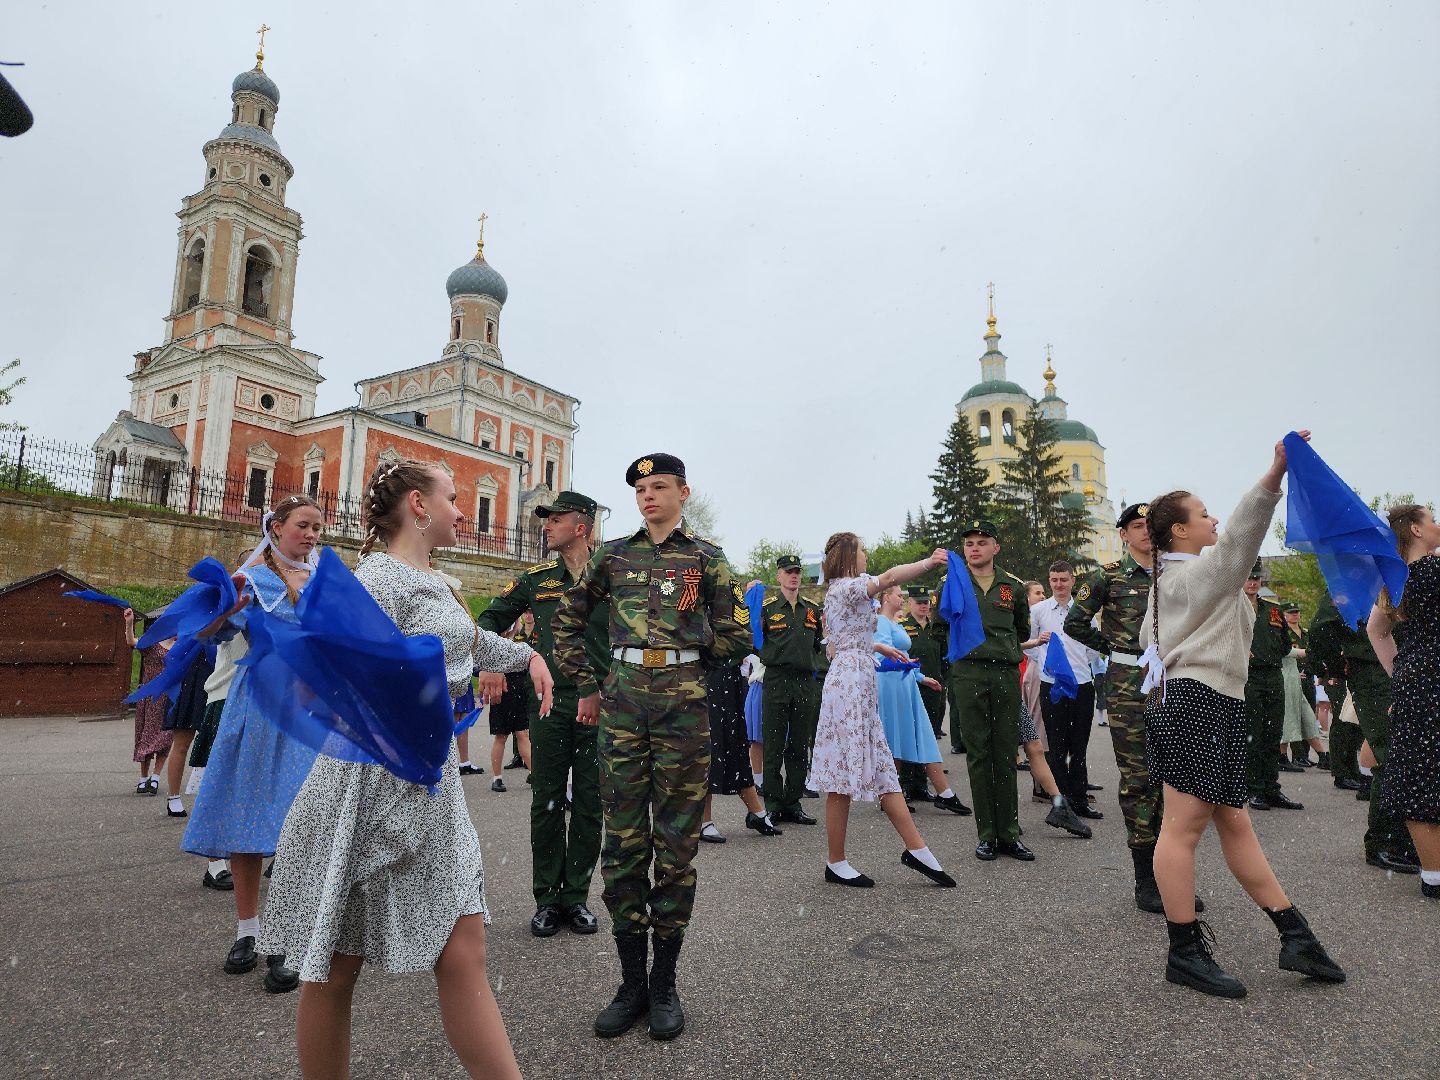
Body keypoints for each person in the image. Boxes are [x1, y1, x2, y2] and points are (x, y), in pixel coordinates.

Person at [259, 460, 552, 1080]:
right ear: (419, 504)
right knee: (337, 963)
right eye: (452, 497)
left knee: (464, 947)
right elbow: (327, 680)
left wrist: (528, 656)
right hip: (371, 787)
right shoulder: (376, 581)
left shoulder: (435, 581)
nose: (460, 508)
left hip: (432, 780)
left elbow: (471, 644)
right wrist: (398, 701)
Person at [552, 453, 751, 1042]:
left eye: (659, 486)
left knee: (676, 844)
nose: (648, 496)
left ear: (683, 492)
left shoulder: (707, 559)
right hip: (622, 702)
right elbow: (568, 620)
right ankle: (630, 983)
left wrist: (691, 656)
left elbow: (737, 631)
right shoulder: (614, 556)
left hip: (683, 707)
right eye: (640, 488)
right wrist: (588, 683)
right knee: (623, 843)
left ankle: (664, 983)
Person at [1139, 433, 1344, 999]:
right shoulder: (1187, 576)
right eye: (1203, 514)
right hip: (1198, 703)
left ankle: (1292, 933)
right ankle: (1183, 951)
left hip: (1210, 703)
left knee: (1234, 821)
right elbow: (1237, 546)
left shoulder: (1176, 584)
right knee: (1183, 828)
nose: (1212, 520)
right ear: (1178, 530)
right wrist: (1275, 473)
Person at [181, 496, 324, 992]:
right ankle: (248, 931)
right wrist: (228, 611)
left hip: (309, 711)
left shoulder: (327, 583)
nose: (310, 535)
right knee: (248, 818)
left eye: (317, 528)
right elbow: (201, 636)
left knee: (297, 826)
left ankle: (286, 938)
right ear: (276, 527)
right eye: (302, 526)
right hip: (258, 706)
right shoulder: (254, 580)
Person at [477, 489, 610, 937]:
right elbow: (488, 623)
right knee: (548, 801)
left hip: (602, 703)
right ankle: (547, 899)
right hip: (550, 702)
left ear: (581, 526)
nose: (546, 526)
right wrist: (494, 660)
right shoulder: (536, 580)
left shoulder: (613, 575)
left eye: (556, 519)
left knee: (591, 803)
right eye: (545, 519)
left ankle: (577, 897)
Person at [1067, 502, 1202, 912]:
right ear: (1123, 534)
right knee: (1139, 778)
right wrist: (1114, 650)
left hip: (1175, 681)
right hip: (1128, 685)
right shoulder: (1106, 577)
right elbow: (1075, 622)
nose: (1145, 532)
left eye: (1150, 525)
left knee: (1176, 778)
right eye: (1137, 526)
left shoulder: (1177, 573)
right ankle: (1147, 880)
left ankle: (1171, 875)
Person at [806, 534, 957, 889]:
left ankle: (914, 850)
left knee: (879, 767)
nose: (866, 555)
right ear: (848, 557)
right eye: (861, 550)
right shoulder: (849, 586)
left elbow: (838, 642)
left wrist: (875, 647)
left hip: (855, 677)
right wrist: (929, 563)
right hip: (851, 684)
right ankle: (840, 861)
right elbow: (889, 578)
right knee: (843, 774)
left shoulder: (840, 591)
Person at [929, 519, 1033, 862]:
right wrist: (964, 657)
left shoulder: (1013, 587)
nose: (975, 548)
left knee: (1005, 753)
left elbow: (1021, 628)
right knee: (978, 754)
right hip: (969, 674)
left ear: (995, 547)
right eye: (969, 542)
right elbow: (938, 626)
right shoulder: (951, 583)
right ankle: (987, 834)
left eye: (982, 542)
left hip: (1004, 674)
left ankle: (1010, 834)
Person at [1367, 503, 1440, 901]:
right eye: (1431, 519)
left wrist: (1403, 677)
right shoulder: (1433, 572)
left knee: (1421, 775)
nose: (1437, 524)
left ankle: (1433, 874)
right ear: (1415, 528)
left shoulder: (1396, 577)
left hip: (1416, 680)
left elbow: (1375, 630)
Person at [873, 583, 970, 815]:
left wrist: (921, 676)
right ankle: (890, 795)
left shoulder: (893, 622)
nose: (902, 598)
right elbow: (883, 656)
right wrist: (910, 669)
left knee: (919, 735)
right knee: (894, 740)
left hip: (904, 683)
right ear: (886, 597)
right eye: (898, 594)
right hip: (892, 685)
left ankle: (942, 793)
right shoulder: (880, 622)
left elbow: (903, 655)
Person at [1343, 581, 1420, 872]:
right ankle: (1383, 843)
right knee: (1390, 758)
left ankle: (1406, 840)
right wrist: (1337, 666)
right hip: (1373, 673)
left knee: (1409, 760)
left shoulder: (1399, 574)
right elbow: (1330, 623)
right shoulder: (1359, 577)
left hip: (1401, 668)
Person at [1029, 560, 1103, 822]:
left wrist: (1075, 663)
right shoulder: (1038, 611)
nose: (1059, 584)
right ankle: (1063, 803)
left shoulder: (1085, 613)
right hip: (1052, 687)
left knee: (1079, 746)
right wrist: (1051, 667)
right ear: (1049, 581)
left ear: (1073, 581)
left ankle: (1080, 800)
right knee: (1057, 746)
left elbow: (1094, 649)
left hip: (1082, 684)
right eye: (1054, 580)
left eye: (1064, 579)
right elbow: (1030, 646)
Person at [757, 554, 826, 825]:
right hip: (776, 678)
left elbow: (818, 642)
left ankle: (793, 802)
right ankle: (773, 803)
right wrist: (771, 656)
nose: (794, 576)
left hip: (804, 682)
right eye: (788, 572)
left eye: (797, 571)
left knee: (799, 744)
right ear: (779, 576)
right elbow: (756, 640)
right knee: (773, 743)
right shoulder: (768, 608)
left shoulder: (812, 609)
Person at [698, 658, 782, 842]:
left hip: (730, 672)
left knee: (734, 742)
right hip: (706, 669)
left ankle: (755, 811)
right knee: (710, 742)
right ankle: (703, 820)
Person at [1242, 562, 1303, 811]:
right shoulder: (1231, 607)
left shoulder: (1273, 611)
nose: (1253, 582)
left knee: (1272, 734)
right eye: (1248, 577)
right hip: (1248, 677)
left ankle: (1271, 788)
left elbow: (1284, 644)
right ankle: (1253, 789)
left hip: (1273, 675)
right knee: (1253, 735)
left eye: (1256, 577)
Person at [1309, 592, 1363, 791]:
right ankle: (1341, 773)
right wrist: (1329, 668)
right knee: (1343, 721)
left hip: (1350, 672)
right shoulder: (1335, 594)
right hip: (1337, 673)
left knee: (1353, 722)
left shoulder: (1350, 593)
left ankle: (1352, 770)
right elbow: (1320, 628)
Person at [157, 639, 216, 817]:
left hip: (218, 676)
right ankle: (173, 797)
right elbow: (168, 640)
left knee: (218, 743)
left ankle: (215, 799)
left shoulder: (229, 614)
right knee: (182, 743)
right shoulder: (191, 616)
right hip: (190, 678)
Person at [122, 611, 172, 795]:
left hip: (169, 697)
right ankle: (143, 779)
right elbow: (131, 642)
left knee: (166, 737)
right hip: (150, 696)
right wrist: (129, 623)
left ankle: (156, 778)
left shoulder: (180, 646)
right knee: (146, 735)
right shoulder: (152, 643)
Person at [485, 614, 534, 792]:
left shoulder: (523, 638)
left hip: (520, 690)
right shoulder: (496, 642)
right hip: (502, 691)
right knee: (501, 736)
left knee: (523, 734)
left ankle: (535, 774)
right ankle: (496, 778)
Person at [1279, 604, 1325, 769]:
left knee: (1307, 715)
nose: (1295, 615)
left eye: (1297, 612)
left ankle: (1309, 755)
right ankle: (1293, 756)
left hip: (1306, 678)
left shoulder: (1305, 632)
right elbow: (1283, 652)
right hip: (1288, 678)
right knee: (1291, 717)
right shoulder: (1280, 632)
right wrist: (1306, 653)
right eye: (1291, 613)